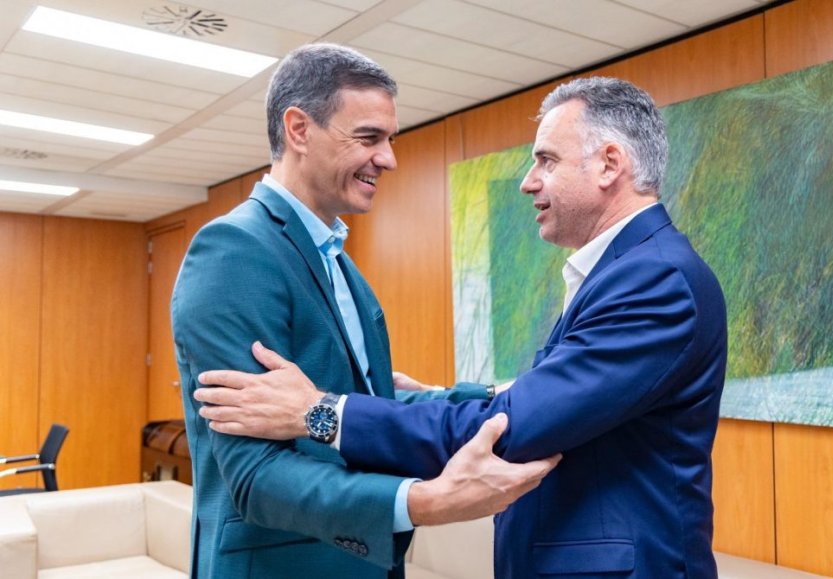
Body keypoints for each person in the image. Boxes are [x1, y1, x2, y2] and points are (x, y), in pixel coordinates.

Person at [196, 76, 729, 578]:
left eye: (545, 159)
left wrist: (315, 412)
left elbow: (511, 427)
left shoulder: (654, 279)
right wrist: (434, 399)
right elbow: (548, 401)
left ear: (610, 164)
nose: (528, 181)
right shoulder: (629, 271)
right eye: (369, 137)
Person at [171, 43, 559, 579]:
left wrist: (501, 397)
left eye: (390, 140)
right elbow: (255, 476)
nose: (389, 158)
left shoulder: (339, 264)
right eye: (369, 138)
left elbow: (356, 403)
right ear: (299, 129)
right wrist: (426, 501)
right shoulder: (235, 252)